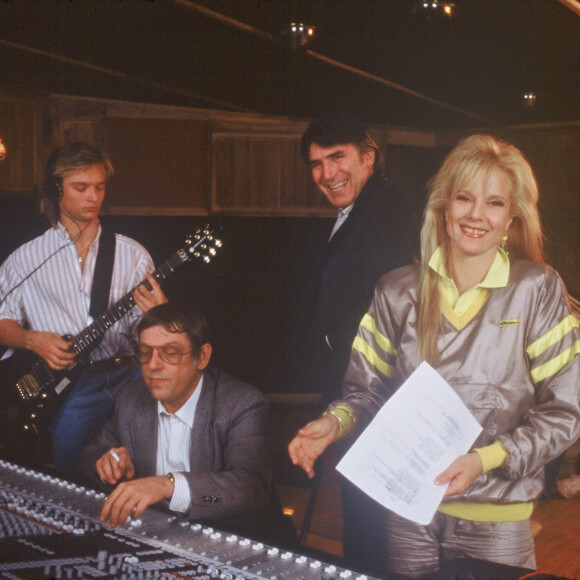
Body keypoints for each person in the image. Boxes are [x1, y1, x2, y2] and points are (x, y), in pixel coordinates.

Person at [289, 134, 580, 578]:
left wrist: (482, 460)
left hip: (497, 519)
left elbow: (564, 413)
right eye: (464, 198)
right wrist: (333, 423)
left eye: (495, 203)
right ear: (444, 206)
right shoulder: (396, 289)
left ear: (512, 216)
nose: (476, 215)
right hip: (409, 514)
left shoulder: (536, 289)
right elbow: (365, 395)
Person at [0, 143, 166, 476]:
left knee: (150, 459)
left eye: (100, 187)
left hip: (129, 375)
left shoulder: (132, 255)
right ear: (56, 190)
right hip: (70, 382)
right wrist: (33, 341)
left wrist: (161, 313)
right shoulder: (25, 258)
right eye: (82, 188)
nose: (94, 197)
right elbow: (2, 319)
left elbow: (152, 333)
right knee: (69, 457)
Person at [299, 113, 419, 570]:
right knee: (363, 513)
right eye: (316, 164)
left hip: (378, 395)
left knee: (372, 522)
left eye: (338, 157)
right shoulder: (362, 209)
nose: (328, 174)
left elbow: (403, 310)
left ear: (368, 158)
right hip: (356, 390)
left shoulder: (389, 209)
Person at [80, 302, 287, 543]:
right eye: (145, 352)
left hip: (223, 539)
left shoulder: (241, 404)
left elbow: (246, 490)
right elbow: (91, 453)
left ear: (202, 356)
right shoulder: (131, 399)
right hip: (152, 535)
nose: (154, 365)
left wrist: (168, 485)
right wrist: (107, 466)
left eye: (170, 353)